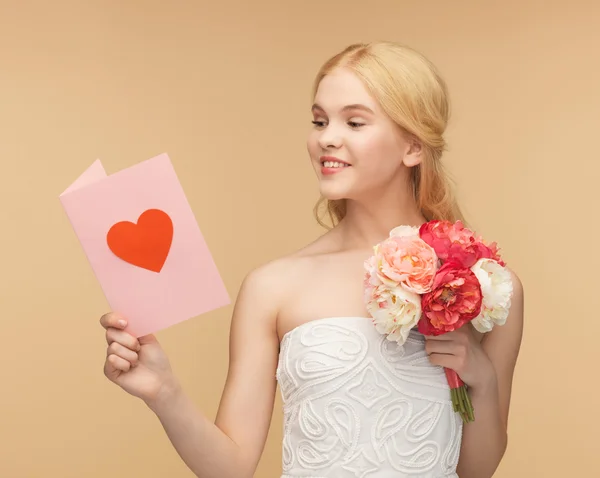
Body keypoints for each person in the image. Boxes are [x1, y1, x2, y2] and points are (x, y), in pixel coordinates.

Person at [99, 41, 524, 478]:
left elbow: (479, 470)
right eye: (319, 120)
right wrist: (163, 391)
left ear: (413, 147)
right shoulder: (273, 286)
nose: (326, 138)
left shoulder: (484, 286)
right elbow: (232, 467)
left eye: (354, 122)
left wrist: (482, 378)